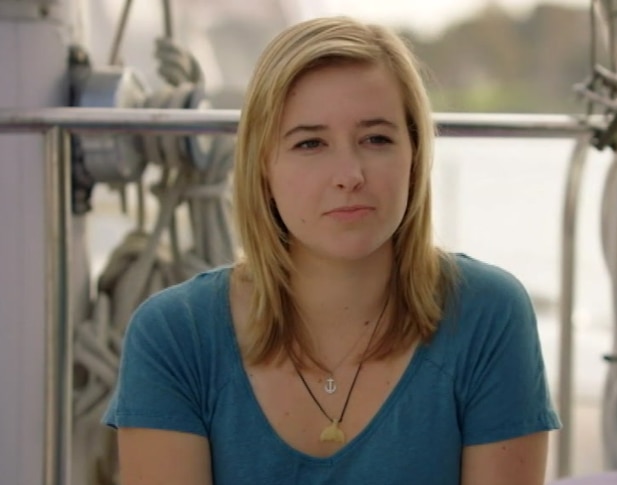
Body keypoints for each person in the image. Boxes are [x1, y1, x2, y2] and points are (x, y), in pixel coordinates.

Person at [103, 15, 561, 485]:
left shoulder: (487, 315)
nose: (349, 173)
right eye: (310, 143)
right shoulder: (176, 337)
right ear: (263, 167)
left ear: (415, 155)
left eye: (376, 139)